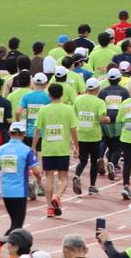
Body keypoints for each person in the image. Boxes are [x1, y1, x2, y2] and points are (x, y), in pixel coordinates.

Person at [31, 83, 79, 218]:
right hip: (63, 149)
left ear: (49, 95)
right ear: (62, 94)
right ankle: (57, 197)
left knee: (49, 177)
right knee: (63, 178)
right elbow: (73, 130)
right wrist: (76, 146)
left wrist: (34, 147)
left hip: (48, 149)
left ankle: (49, 208)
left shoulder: (43, 110)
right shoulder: (69, 110)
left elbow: (37, 130)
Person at [0, 121, 41, 233]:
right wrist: (39, 179)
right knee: (17, 225)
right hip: (20, 191)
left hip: (5, 190)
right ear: (23, 134)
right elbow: (36, 171)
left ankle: (17, 249)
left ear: (9, 133)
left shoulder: (1, 149)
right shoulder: (26, 150)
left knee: (14, 223)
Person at [73, 77, 109, 197]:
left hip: (81, 134)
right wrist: (108, 119)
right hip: (94, 135)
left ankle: (77, 175)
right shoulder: (100, 102)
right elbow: (102, 119)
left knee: (83, 160)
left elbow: (74, 116)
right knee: (94, 161)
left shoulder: (78, 100)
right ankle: (92, 186)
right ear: (97, 89)